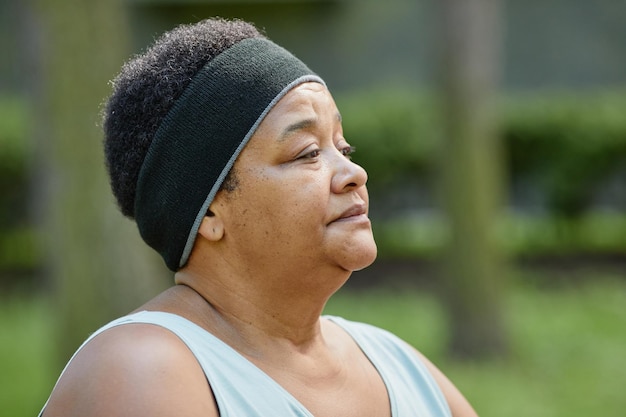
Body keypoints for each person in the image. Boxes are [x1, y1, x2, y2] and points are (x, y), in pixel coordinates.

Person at [39, 18, 478, 417]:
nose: (353, 173)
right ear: (208, 210)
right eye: (307, 153)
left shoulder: (395, 363)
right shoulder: (142, 370)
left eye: (342, 149)